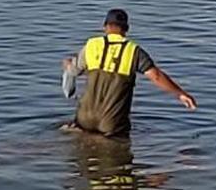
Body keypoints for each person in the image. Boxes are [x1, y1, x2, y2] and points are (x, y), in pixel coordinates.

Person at [62, 9, 197, 138]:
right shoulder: (134, 51)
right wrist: (180, 94)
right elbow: (156, 76)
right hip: (112, 123)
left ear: (105, 27)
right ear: (126, 29)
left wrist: (68, 63)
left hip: (84, 119)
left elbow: (74, 71)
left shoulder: (91, 45)